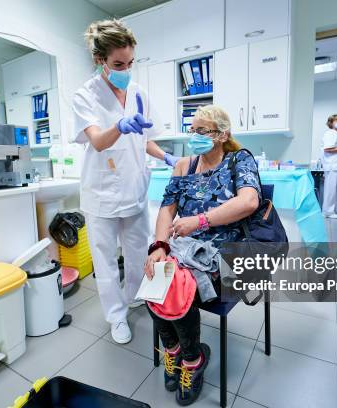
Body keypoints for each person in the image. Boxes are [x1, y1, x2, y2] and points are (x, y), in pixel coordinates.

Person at [144, 105, 260, 405]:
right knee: (152, 275)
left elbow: (248, 202)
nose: (193, 136)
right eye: (191, 130)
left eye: (201, 131)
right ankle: (174, 351)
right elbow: (167, 208)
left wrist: (200, 220)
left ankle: (193, 362)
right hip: (185, 251)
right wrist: (159, 246)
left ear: (222, 135)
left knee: (176, 286)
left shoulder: (239, 160)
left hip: (227, 253)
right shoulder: (184, 165)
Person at [72, 19, 179, 344]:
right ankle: (116, 317)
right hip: (101, 195)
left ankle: (134, 297)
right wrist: (120, 124)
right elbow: (99, 141)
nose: (126, 69)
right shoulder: (85, 96)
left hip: (133, 190)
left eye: (131, 63)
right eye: (119, 64)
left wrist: (167, 157)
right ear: (99, 60)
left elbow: (143, 138)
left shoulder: (138, 92)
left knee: (138, 256)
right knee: (104, 262)